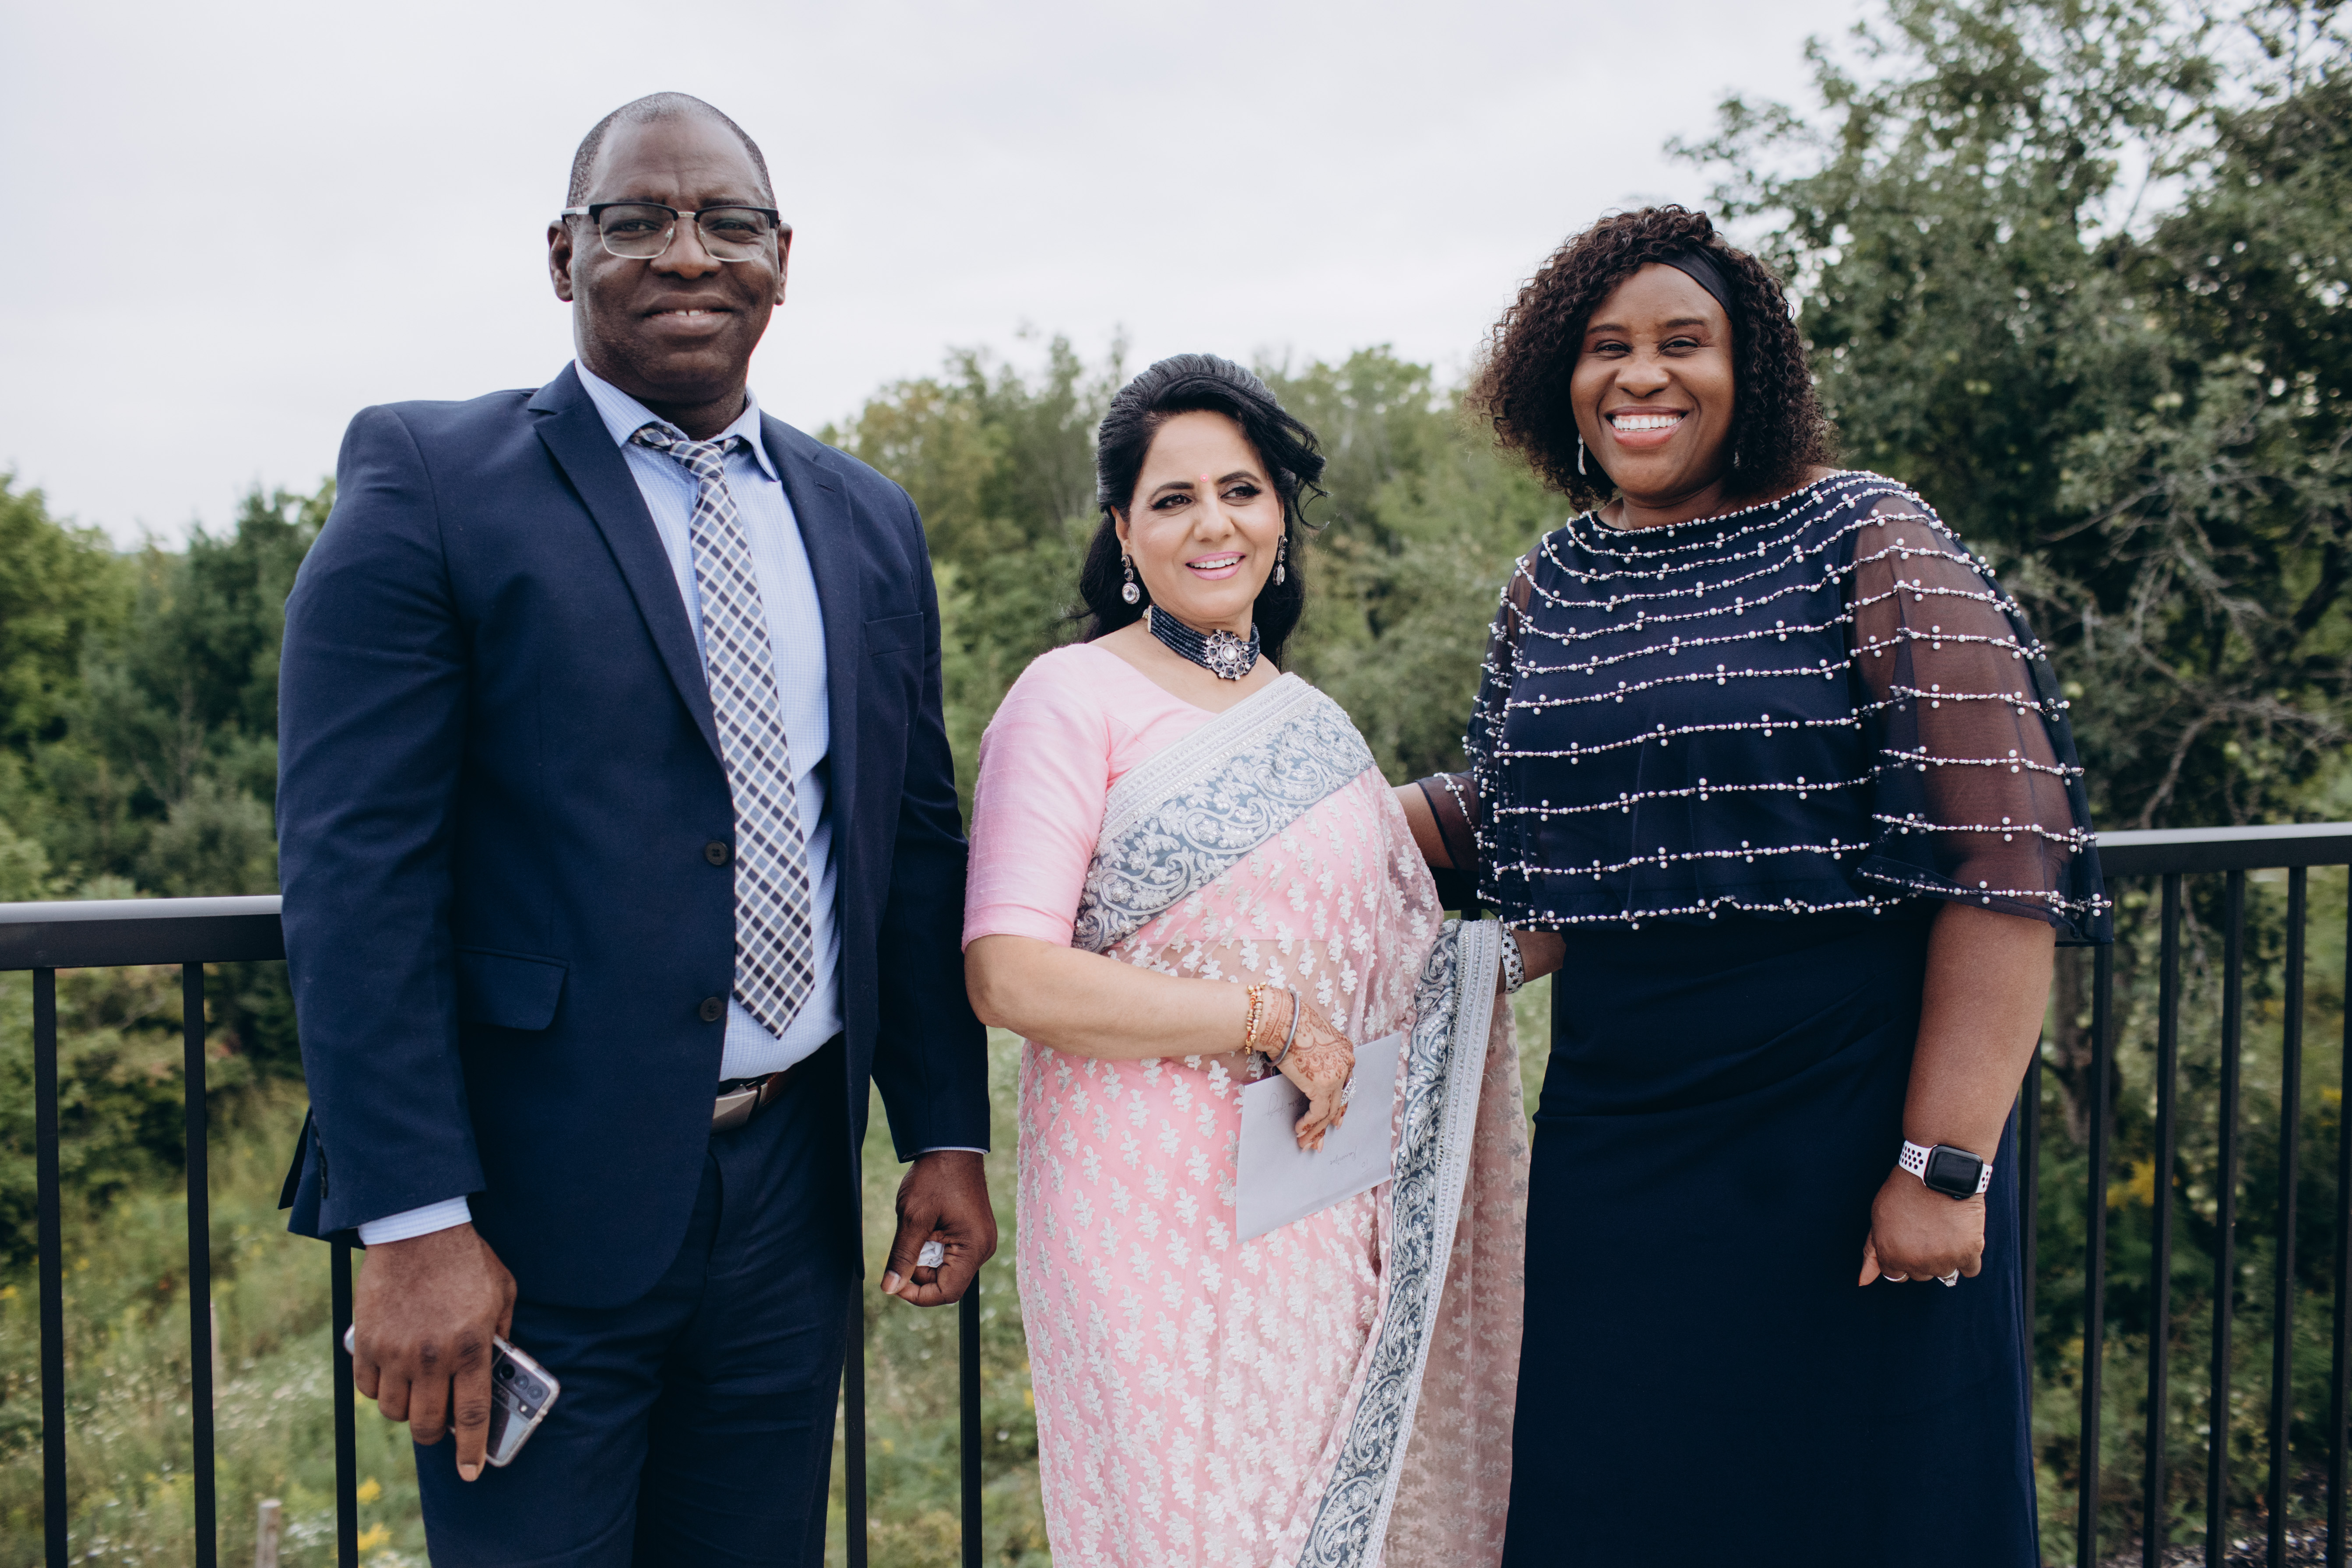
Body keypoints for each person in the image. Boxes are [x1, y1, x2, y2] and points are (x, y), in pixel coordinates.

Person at [274, 92, 994, 1565]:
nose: (686, 254)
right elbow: (355, 877)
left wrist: (944, 1127)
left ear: (781, 260)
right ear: (564, 255)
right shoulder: (428, 480)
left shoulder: (868, 518)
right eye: (637, 220)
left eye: (727, 222)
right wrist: (410, 1221)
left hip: (791, 1197)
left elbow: (912, 846)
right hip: (526, 1218)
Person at [1398, 206, 2109, 1566]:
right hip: (1619, 1129)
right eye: (1606, 346)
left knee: (1872, 1509)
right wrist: (1309, 828)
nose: (1642, 375)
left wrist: (1943, 1166)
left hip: (1850, 1120)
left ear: (1753, 371)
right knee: (1615, 1500)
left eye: (1684, 343)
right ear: (1560, 377)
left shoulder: (1869, 534)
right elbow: (1525, 817)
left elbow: (2002, 858)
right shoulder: (1553, 579)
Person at [962, 355, 1535, 1568]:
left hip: (1316, 1202)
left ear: (1280, 515)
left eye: (1241, 490)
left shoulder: (1314, 726)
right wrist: (1267, 1018)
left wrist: (1623, 914)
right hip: (1141, 1217)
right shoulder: (1071, 698)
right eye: (1173, 499)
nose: (1213, 524)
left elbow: (1403, 957)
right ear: (1125, 531)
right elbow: (1010, 975)